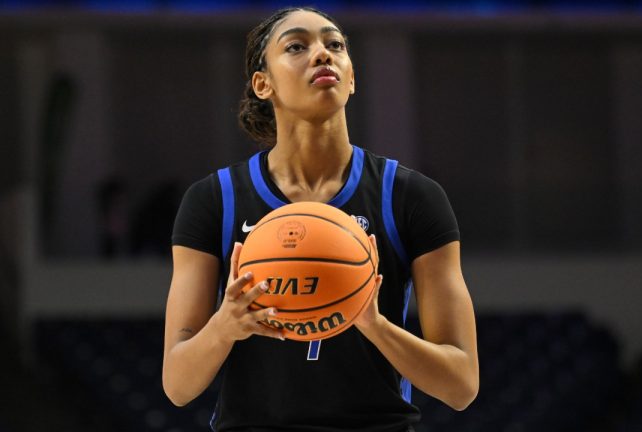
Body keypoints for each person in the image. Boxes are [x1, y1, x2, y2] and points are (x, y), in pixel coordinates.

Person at [162, 7, 479, 431]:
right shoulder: (213, 200)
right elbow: (178, 386)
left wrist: (373, 323)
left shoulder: (411, 196)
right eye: (297, 46)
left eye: (335, 45)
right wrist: (224, 327)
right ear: (263, 84)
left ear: (352, 78)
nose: (322, 55)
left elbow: (461, 385)